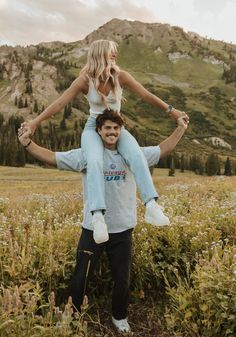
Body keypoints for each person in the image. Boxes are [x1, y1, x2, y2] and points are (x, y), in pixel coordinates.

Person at [18, 109, 189, 333]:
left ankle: (120, 317)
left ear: (121, 131)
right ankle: (70, 317)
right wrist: (27, 144)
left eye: (116, 128)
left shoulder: (133, 153)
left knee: (122, 279)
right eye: (107, 128)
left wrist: (180, 129)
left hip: (123, 228)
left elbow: (162, 149)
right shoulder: (87, 155)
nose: (112, 132)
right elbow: (53, 157)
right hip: (93, 229)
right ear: (98, 131)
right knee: (80, 277)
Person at [21, 39, 189, 245]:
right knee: (94, 160)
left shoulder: (121, 77)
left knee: (136, 155)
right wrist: (35, 123)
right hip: (93, 127)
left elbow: (146, 95)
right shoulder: (85, 80)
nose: (115, 56)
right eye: (111, 52)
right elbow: (60, 102)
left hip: (117, 125)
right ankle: (98, 216)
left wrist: (174, 113)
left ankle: (152, 205)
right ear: (100, 53)